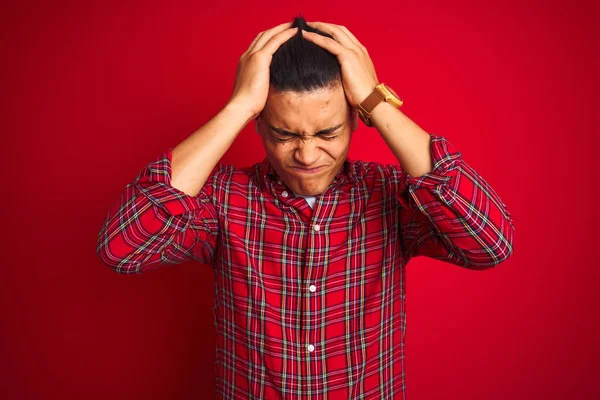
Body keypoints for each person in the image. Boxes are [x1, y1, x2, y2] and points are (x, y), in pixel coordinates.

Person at [97, 15, 515, 399]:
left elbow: (490, 243)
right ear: (258, 122)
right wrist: (238, 105)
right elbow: (122, 248)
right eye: (284, 135)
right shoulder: (221, 199)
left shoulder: (391, 195)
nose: (307, 154)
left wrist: (376, 100)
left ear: (355, 118)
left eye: (327, 132)